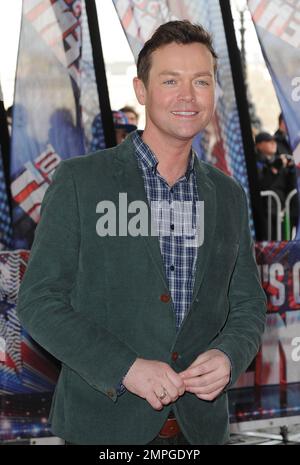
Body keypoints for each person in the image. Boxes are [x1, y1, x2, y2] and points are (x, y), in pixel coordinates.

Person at [16, 20, 266, 445]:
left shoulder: (228, 195)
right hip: (103, 429)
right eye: (171, 80)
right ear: (141, 89)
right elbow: (39, 302)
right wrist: (125, 367)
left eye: (201, 81)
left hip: (201, 432)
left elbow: (248, 305)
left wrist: (229, 355)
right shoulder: (81, 182)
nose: (188, 95)